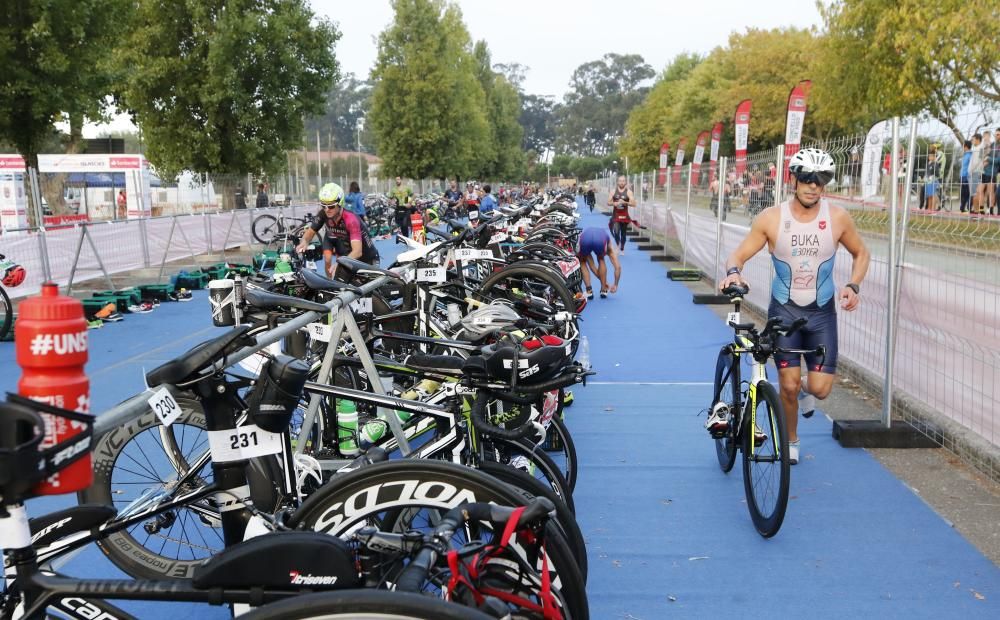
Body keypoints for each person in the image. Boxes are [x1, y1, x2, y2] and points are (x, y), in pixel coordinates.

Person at [710, 148, 870, 465]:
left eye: (821, 180)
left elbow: (861, 253)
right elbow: (737, 256)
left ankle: (806, 392)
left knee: (821, 390)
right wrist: (733, 273)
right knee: (787, 385)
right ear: (793, 179)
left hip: (822, 314)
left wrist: (853, 285)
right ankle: (791, 441)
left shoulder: (838, 218)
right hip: (784, 312)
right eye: (807, 179)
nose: (813, 186)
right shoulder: (771, 218)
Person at [296, 182, 379, 279]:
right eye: (323, 205)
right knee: (338, 288)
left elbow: (357, 251)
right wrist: (304, 241)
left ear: (340, 203)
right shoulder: (323, 214)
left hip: (368, 259)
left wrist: (340, 263)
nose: (327, 209)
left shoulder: (350, 219)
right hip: (350, 258)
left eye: (331, 206)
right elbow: (309, 233)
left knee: (367, 291)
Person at [575, 227, 622, 299]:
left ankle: (589, 291)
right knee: (601, 259)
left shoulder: (585, 232)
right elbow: (618, 267)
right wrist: (615, 285)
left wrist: (603, 280)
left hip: (585, 239)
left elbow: (592, 266)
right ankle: (603, 290)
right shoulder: (609, 245)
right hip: (600, 241)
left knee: (583, 262)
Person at [606, 175, 633, 253]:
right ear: (618, 182)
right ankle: (617, 245)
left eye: (623, 181)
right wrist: (614, 203)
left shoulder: (629, 192)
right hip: (616, 216)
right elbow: (608, 202)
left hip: (625, 216)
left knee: (623, 234)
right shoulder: (613, 191)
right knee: (616, 231)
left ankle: (622, 247)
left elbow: (634, 204)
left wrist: (625, 202)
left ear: (625, 182)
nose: (621, 182)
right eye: (620, 181)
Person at [969, 133, 985, 214]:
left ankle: (976, 211)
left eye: (973, 139)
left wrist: (971, 170)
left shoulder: (978, 149)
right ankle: (977, 211)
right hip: (977, 172)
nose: (972, 141)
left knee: (975, 193)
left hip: (975, 173)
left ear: (978, 139)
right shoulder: (977, 148)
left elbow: (977, 162)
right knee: (976, 192)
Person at [960, 140, 972, 213]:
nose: (962, 147)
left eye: (963, 146)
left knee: (967, 192)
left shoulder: (970, 155)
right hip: (962, 176)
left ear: (966, 147)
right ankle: (962, 207)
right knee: (963, 192)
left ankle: (968, 207)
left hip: (967, 176)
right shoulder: (965, 155)